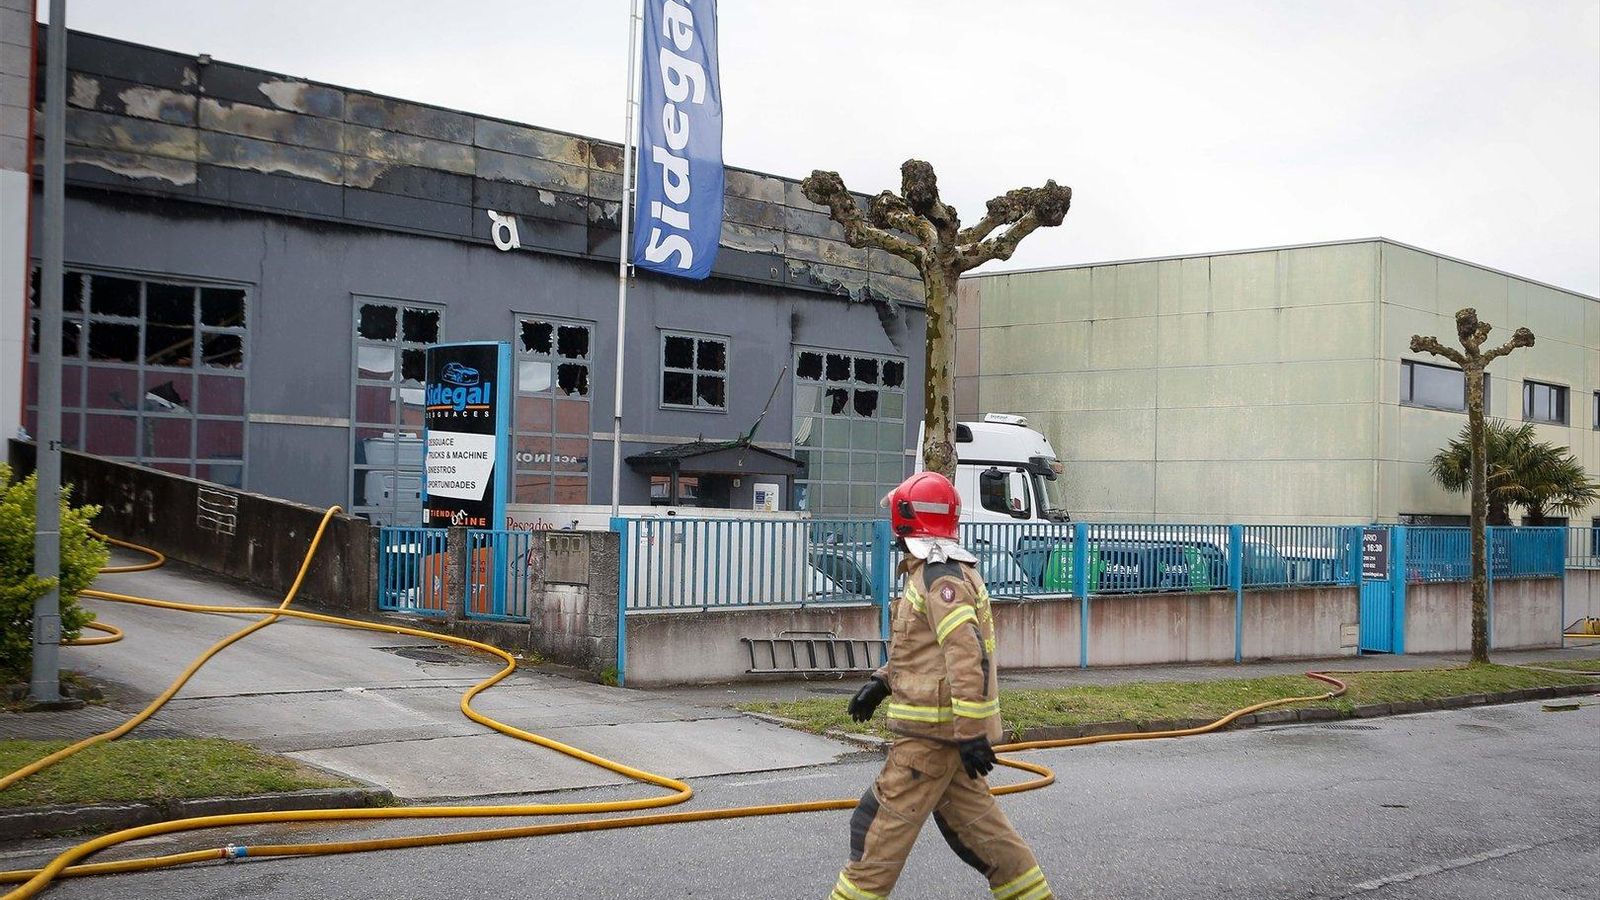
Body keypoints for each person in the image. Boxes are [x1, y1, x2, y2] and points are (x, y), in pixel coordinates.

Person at [828, 472, 1053, 900]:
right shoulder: (940, 572)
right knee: (986, 839)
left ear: (906, 519)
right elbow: (924, 651)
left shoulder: (939, 577)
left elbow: (964, 654)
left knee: (876, 833)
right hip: (945, 738)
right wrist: (882, 682)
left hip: (931, 740)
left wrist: (969, 733)